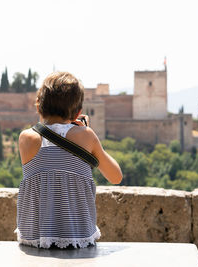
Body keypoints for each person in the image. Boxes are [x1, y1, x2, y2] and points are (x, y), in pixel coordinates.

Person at [14, 71, 122, 249]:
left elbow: (47, 129)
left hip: (34, 238)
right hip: (77, 237)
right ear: (78, 112)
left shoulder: (26, 138)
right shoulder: (86, 136)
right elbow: (116, 177)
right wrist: (86, 131)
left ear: (38, 106)